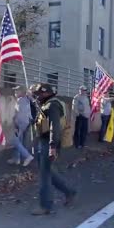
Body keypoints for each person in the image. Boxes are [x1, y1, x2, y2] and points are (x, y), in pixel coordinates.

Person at [30, 83, 76, 215]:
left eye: (38, 94)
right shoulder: (47, 104)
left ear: (45, 93)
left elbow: (54, 127)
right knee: (48, 172)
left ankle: (45, 206)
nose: (37, 97)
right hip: (44, 142)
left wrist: (52, 147)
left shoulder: (52, 105)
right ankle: (69, 191)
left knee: (45, 175)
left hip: (49, 143)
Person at [7, 85, 34, 167]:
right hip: (25, 123)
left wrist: (29, 93)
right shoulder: (23, 100)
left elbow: (19, 115)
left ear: (22, 92)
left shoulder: (23, 100)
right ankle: (17, 159)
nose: (15, 92)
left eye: (17, 91)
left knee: (15, 141)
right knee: (19, 141)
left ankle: (27, 156)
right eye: (15, 90)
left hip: (22, 123)